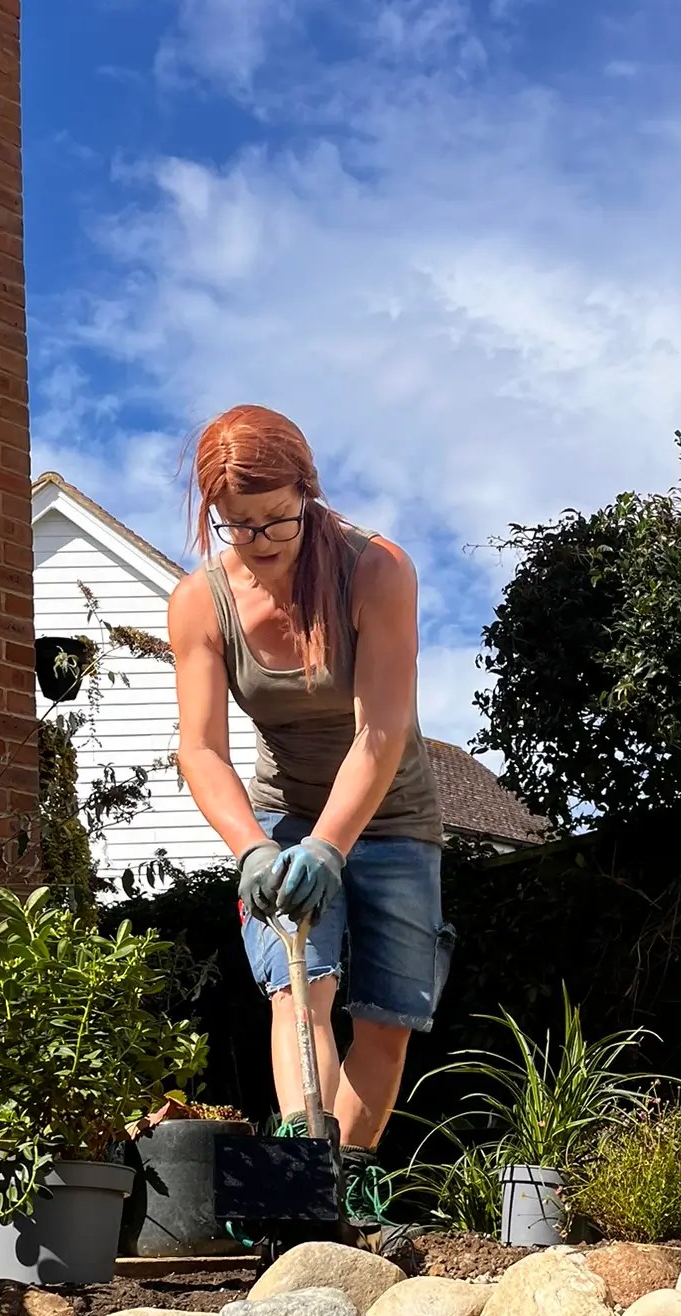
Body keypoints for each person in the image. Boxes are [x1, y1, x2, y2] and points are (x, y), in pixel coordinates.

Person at [169, 405, 451, 1229]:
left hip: (392, 814)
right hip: (282, 815)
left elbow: (381, 729)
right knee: (301, 987)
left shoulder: (376, 570)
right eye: (238, 525)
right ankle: (298, 1182)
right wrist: (255, 850)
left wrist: (334, 846)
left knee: (390, 1019)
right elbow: (202, 750)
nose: (261, 539)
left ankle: (349, 1186)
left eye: (277, 517)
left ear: (308, 487)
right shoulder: (201, 602)